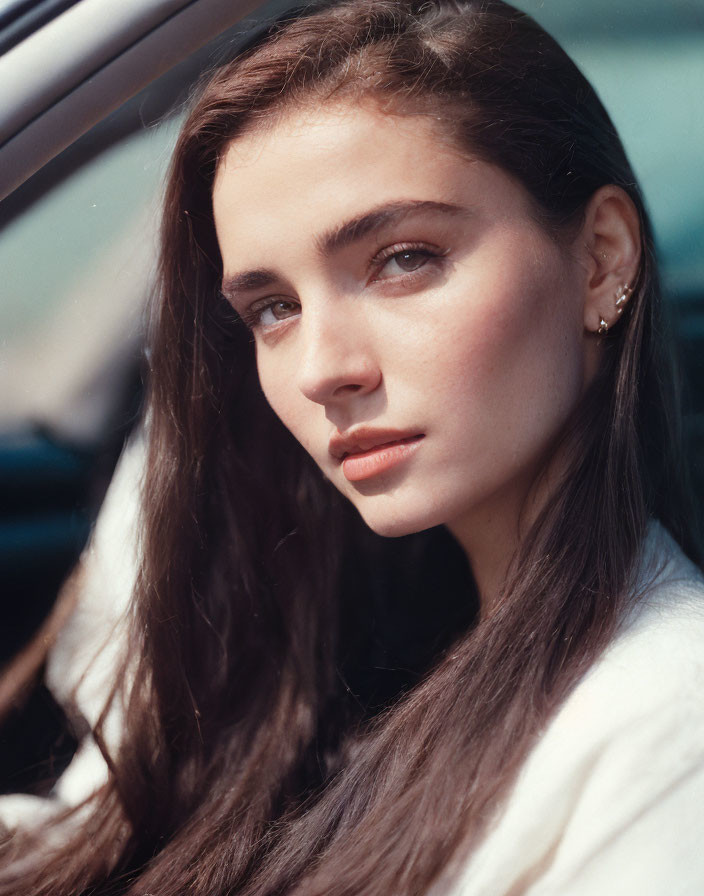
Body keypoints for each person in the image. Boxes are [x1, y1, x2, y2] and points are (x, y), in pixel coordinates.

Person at [1, 0, 703, 893]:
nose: (320, 371)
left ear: (601, 258)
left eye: (403, 259)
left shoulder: (667, 734)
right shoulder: (326, 663)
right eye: (273, 309)